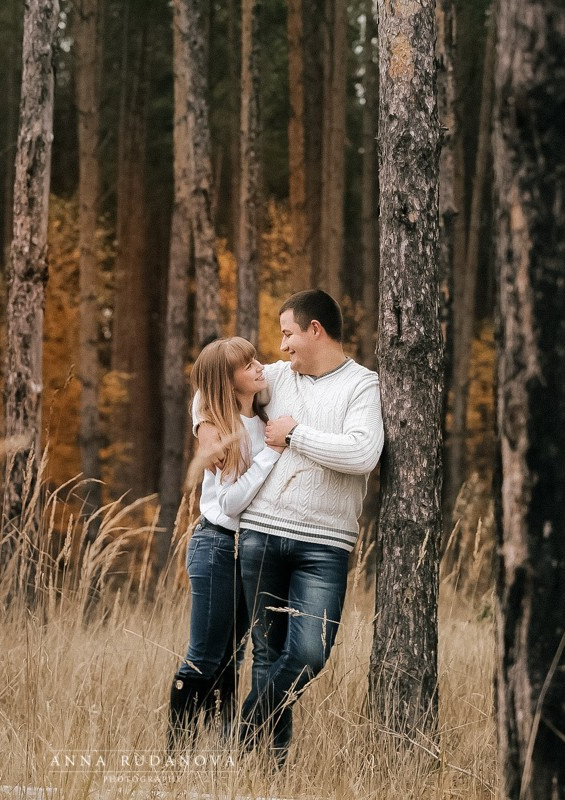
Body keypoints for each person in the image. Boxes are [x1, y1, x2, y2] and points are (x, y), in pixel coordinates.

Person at [196, 290, 383, 765]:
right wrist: (205, 431)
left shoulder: (362, 386)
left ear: (314, 330)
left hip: (324, 545)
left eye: (287, 334)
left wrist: (294, 435)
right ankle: (268, 772)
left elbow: (363, 454)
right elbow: (211, 385)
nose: (281, 348)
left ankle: (243, 734)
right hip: (259, 535)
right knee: (266, 653)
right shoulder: (276, 378)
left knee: (308, 654)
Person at [168, 336, 285, 750]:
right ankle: (177, 755)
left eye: (256, 358)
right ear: (228, 383)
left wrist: (201, 417)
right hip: (217, 545)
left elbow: (208, 385)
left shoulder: (259, 402)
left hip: (249, 551)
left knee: (231, 660)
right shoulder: (228, 432)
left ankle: (218, 756)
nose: (259, 367)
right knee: (204, 656)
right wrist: (271, 453)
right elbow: (232, 502)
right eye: (247, 365)